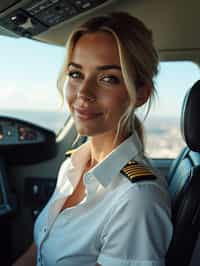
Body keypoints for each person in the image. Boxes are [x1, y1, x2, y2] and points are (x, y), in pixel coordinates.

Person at [13, 12, 173, 266]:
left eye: (107, 78)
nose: (84, 93)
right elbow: (40, 246)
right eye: (76, 74)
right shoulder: (74, 165)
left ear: (140, 93)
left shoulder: (136, 198)